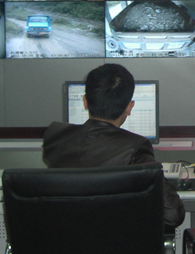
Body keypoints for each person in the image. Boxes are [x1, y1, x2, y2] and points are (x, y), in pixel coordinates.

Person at [43, 63, 185, 229]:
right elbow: (172, 214)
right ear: (129, 107)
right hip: (116, 244)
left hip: (62, 242)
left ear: (85, 101)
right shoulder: (135, 148)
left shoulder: (54, 137)